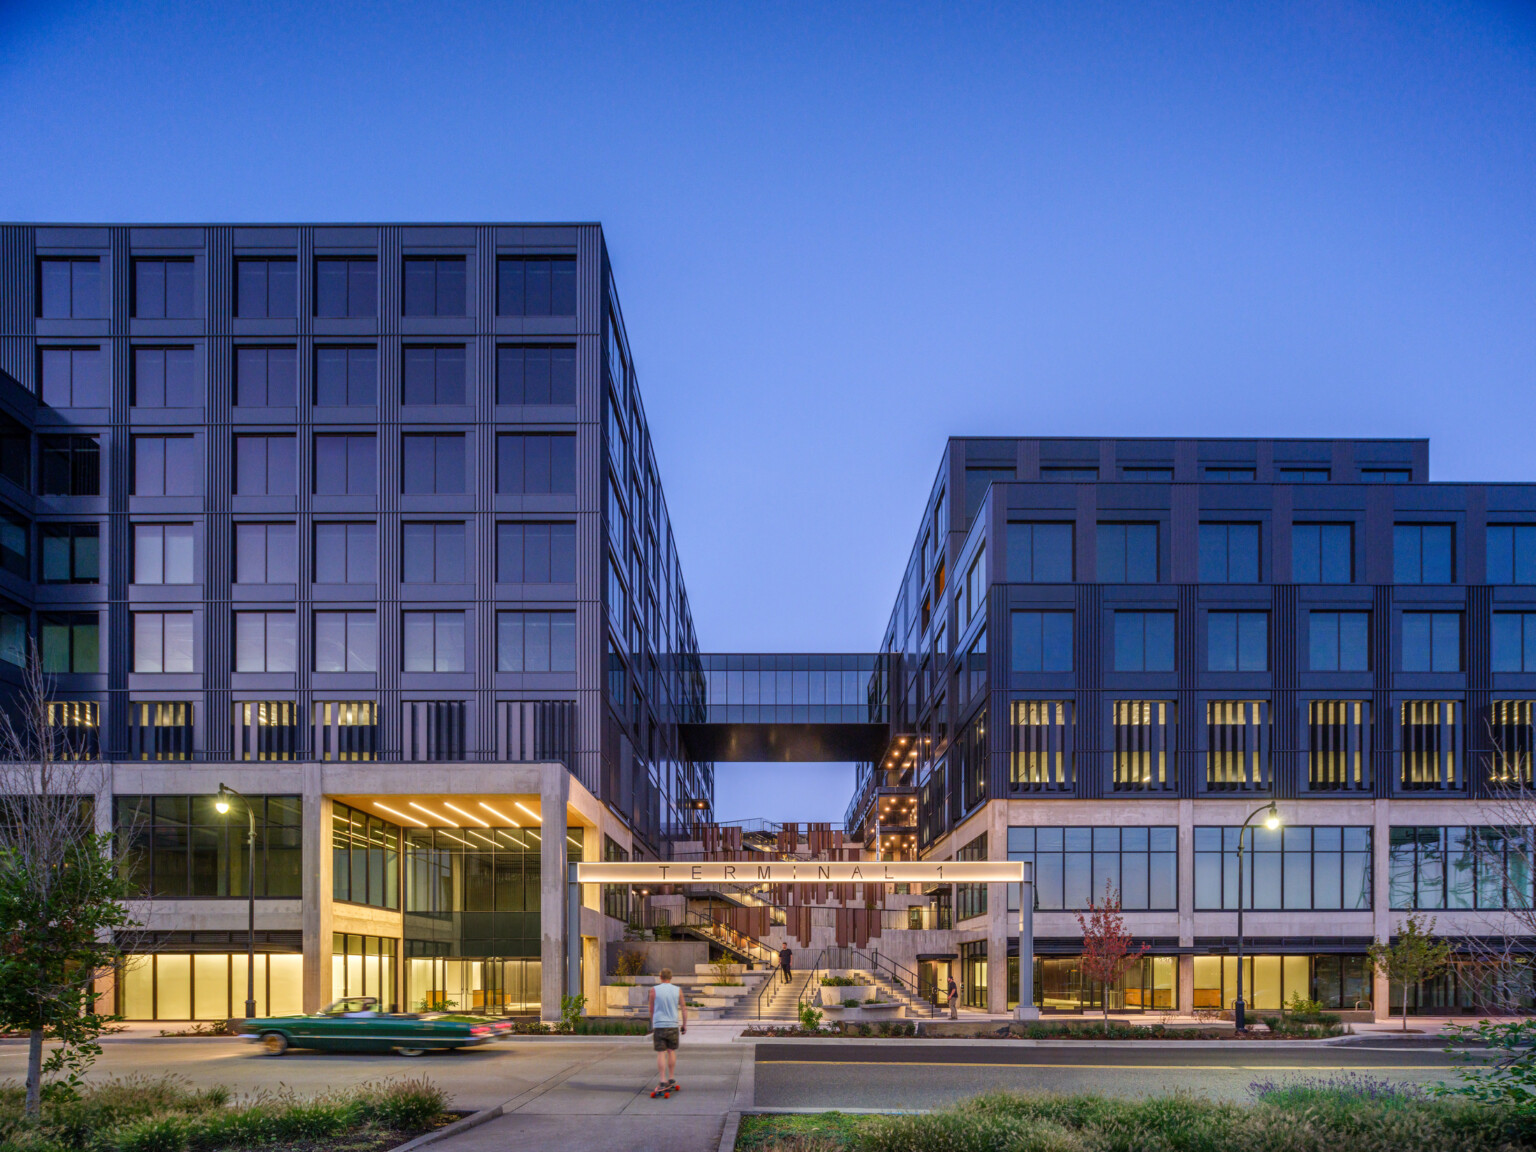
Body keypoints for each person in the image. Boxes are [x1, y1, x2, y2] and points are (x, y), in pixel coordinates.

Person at [648, 967, 687, 1097]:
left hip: (659, 1025)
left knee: (661, 1053)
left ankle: (662, 1080)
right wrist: (684, 1025)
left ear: (660, 977)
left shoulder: (654, 990)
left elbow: (651, 1009)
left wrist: (653, 1023)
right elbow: (684, 1008)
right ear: (671, 977)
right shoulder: (677, 990)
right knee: (671, 1051)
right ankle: (671, 1077)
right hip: (672, 1025)